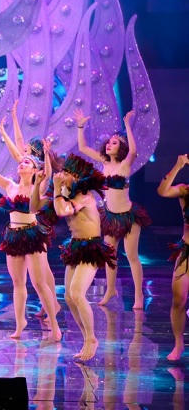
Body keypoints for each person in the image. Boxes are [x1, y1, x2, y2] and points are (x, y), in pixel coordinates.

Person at [0, 133, 61, 341]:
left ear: (35, 170)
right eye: (21, 162)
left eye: (27, 162)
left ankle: (54, 326)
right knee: (18, 283)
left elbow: (47, 174)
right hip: (13, 235)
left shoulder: (38, 186)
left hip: (32, 235)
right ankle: (20, 325)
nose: (21, 163)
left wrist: (46, 155)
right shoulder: (10, 185)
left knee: (39, 283)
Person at [75, 109, 151, 309]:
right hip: (110, 217)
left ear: (121, 148)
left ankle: (139, 295)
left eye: (114, 143)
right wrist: (80, 126)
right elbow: (83, 147)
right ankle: (110, 290)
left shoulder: (125, 165)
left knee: (132, 256)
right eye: (108, 142)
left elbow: (133, 152)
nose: (109, 144)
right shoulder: (104, 163)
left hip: (128, 217)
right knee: (110, 255)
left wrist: (127, 126)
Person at [52, 154, 115, 362]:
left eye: (67, 173)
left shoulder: (85, 196)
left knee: (77, 293)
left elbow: (62, 211)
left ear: (77, 177)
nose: (62, 176)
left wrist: (57, 188)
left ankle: (91, 339)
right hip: (76, 246)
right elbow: (58, 206)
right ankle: (87, 338)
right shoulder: (69, 193)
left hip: (91, 247)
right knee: (69, 297)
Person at [156, 153, 189, 361]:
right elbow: (163, 190)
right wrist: (177, 166)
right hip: (187, 251)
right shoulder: (186, 190)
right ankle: (178, 344)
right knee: (178, 298)